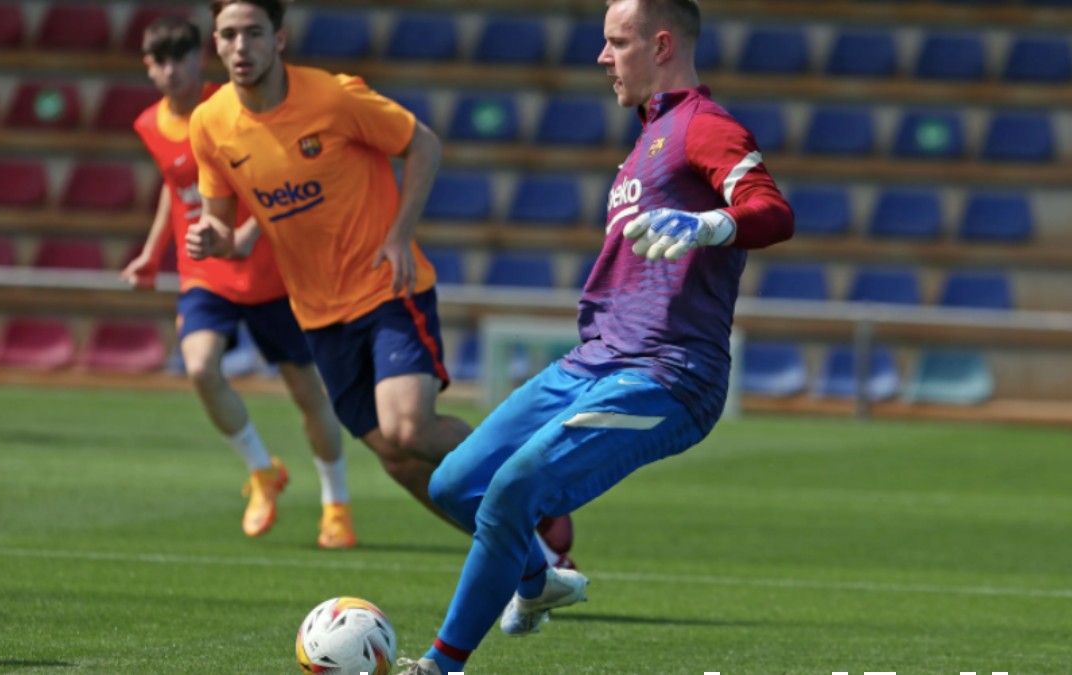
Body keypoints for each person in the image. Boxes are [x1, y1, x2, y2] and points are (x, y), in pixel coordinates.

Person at [396, 0, 795, 672]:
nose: (601, 57)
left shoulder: (704, 126)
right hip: (593, 361)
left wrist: (711, 226)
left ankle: (440, 664)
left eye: (616, 42)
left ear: (661, 44)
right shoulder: (648, 137)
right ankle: (538, 578)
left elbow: (772, 210)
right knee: (454, 484)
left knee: (514, 488)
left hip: (666, 375)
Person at [184, 0, 575, 567]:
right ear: (215, 44)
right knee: (395, 457)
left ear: (280, 39)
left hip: (389, 287)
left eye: (253, 33)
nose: (241, 47)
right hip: (318, 314)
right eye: (228, 35)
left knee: (408, 426)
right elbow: (222, 218)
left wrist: (398, 235)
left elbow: (425, 144)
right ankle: (525, 558)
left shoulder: (334, 97)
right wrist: (213, 239)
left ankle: (539, 478)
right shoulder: (210, 123)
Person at [121, 16, 355, 548]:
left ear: (199, 59)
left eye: (183, 57)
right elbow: (175, 183)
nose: (173, 70)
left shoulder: (227, 108)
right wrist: (152, 253)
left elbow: (274, 181)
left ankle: (336, 504)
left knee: (306, 394)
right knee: (201, 366)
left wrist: (250, 233)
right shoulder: (148, 126)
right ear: (149, 68)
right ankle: (261, 471)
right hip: (205, 272)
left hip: (271, 272)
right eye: (162, 60)